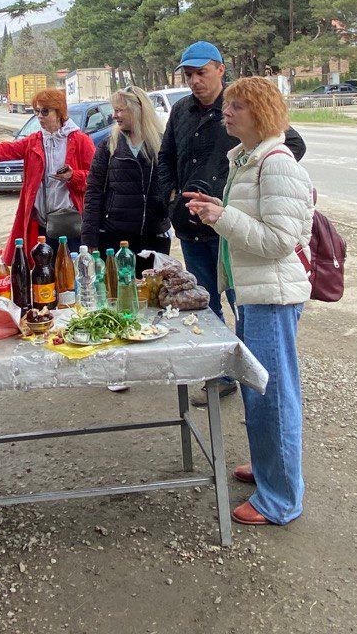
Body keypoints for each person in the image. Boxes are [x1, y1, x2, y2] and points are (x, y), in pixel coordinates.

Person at [184, 76, 312, 526]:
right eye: (229, 104)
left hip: (272, 296)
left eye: (237, 106)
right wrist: (217, 210)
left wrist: (223, 216)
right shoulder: (246, 159)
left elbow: (279, 241)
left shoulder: (276, 165)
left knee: (273, 397)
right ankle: (267, 469)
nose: (227, 111)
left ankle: (280, 499)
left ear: (261, 113)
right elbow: (253, 223)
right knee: (258, 391)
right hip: (255, 293)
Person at [156, 41, 306, 405]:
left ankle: (254, 376)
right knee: (204, 307)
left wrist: (240, 186)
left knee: (247, 308)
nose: (194, 81)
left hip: (237, 233)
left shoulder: (244, 107)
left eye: (201, 73)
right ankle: (220, 376)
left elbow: (292, 144)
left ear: (220, 70)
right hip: (192, 228)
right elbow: (166, 158)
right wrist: (172, 197)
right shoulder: (181, 110)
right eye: (188, 75)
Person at [0, 88, 95, 261]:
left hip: (71, 224)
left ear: (59, 112)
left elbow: (96, 179)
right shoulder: (34, 142)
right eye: (37, 111)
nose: (40, 116)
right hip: (42, 225)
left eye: (45, 111)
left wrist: (73, 176)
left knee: (72, 272)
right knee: (43, 272)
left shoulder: (80, 140)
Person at [81, 85, 171, 271]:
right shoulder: (108, 146)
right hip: (114, 238)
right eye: (114, 110)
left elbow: (172, 189)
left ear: (138, 110)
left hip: (153, 237)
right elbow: (93, 193)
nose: (114, 116)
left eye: (119, 110)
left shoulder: (162, 145)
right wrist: (89, 238)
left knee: (152, 289)